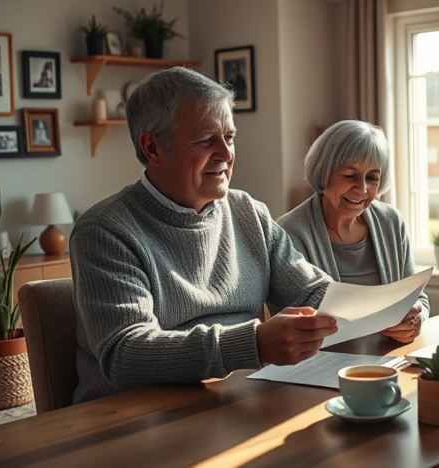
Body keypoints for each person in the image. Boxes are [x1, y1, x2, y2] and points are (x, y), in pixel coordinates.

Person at [70, 67, 337, 404]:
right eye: (206, 140)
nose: (226, 154)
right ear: (152, 148)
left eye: (230, 137)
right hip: (137, 414)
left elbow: (312, 292)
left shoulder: (248, 211)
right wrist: (253, 344)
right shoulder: (104, 231)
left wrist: (382, 310)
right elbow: (126, 352)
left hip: (242, 398)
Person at [277, 120, 429, 344]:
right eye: (349, 175)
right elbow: (289, 317)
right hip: (323, 360)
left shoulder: (391, 222)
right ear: (324, 173)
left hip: (389, 356)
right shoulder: (289, 232)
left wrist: (417, 317)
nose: (362, 189)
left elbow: (418, 299)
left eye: (372, 178)